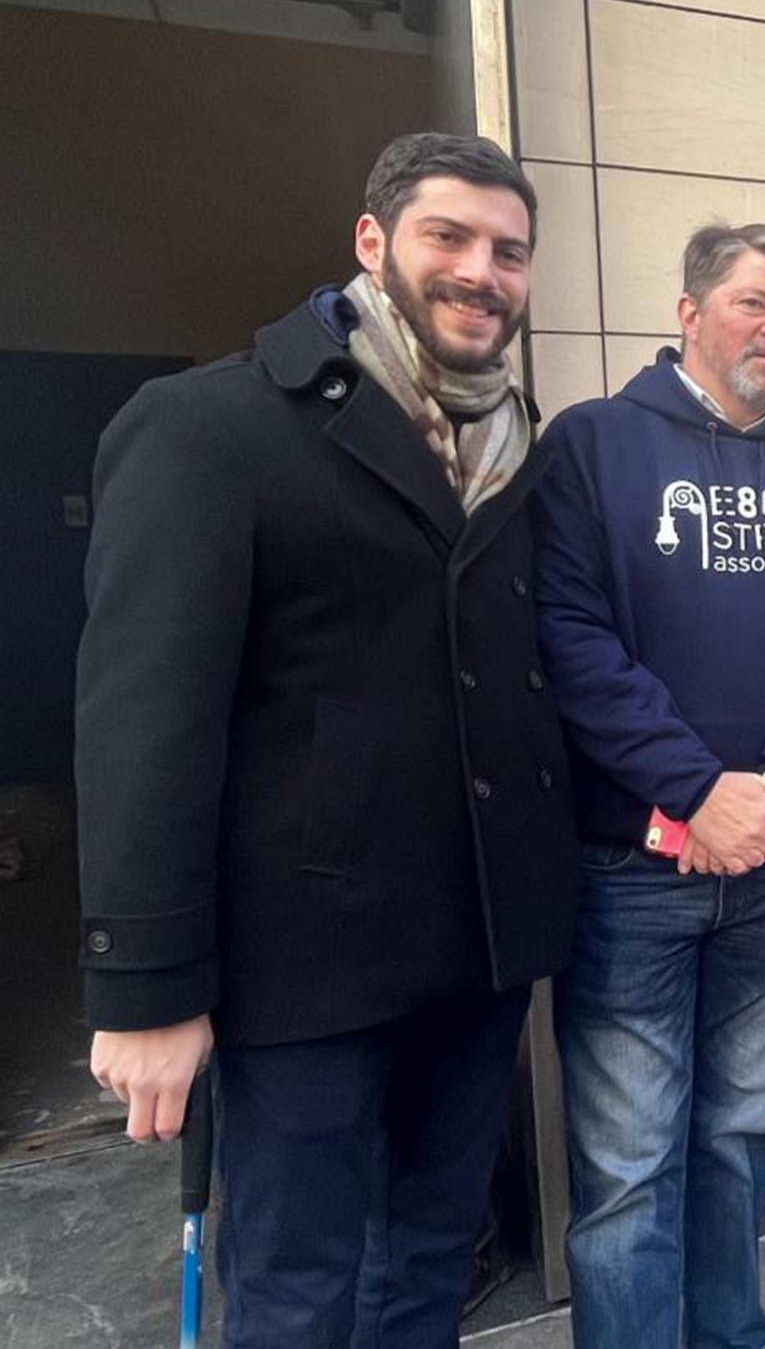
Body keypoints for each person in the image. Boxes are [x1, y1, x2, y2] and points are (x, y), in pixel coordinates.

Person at [77, 132, 578, 1345]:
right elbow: (145, 722)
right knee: (298, 1289)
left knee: (430, 1258)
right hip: (304, 971)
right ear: (371, 241)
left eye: (509, 252)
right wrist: (146, 991)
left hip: (476, 951)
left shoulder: (518, 440)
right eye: (449, 237)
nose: (482, 272)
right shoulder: (212, 425)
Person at [529, 223, 765, 1349]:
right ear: (689, 312)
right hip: (630, 874)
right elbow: (569, 641)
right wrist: (695, 791)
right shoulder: (592, 445)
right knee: (627, 1167)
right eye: (756, 302)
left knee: (738, 1137)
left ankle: (729, 1334)